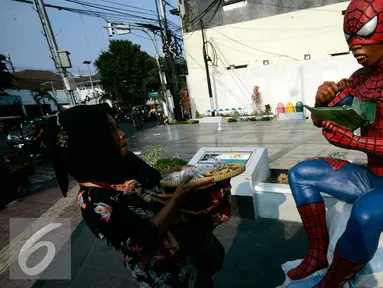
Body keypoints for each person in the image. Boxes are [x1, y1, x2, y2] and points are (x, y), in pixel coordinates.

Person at [42, 104, 230, 287]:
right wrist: (177, 199)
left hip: (192, 258)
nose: (122, 133)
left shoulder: (125, 165)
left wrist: (187, 177)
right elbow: (143, 241)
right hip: (163, 276)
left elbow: (158, 184)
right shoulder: (94, 202)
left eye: (117, 126)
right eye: (111, 130)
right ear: (90, 141)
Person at [286, 0, 383, 287]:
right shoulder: (358, 79)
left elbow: (354, 138)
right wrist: (321, 102)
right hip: (373, 176)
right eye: (351, 42)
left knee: (365, 212)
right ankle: (317, 254)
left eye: (363, 38)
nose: (356, 47)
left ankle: (333, 281)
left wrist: (356, 142)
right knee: (301, 174)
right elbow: (326, 120)